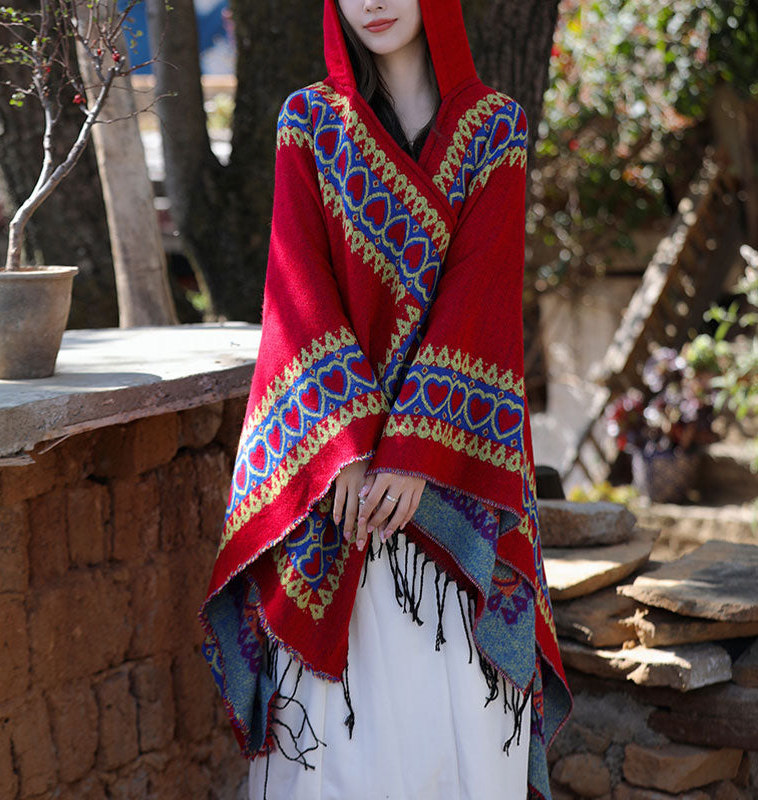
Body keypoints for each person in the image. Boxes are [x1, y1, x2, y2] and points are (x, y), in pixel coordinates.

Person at [199, 1, 573, 798]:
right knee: (340, 747)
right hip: (339, 489)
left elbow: (482, 300)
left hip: (454, 478)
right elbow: (297, 292)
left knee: (465, 734)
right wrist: (343, 451)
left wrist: (415, 456)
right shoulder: (309, 122)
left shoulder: (493, 129)